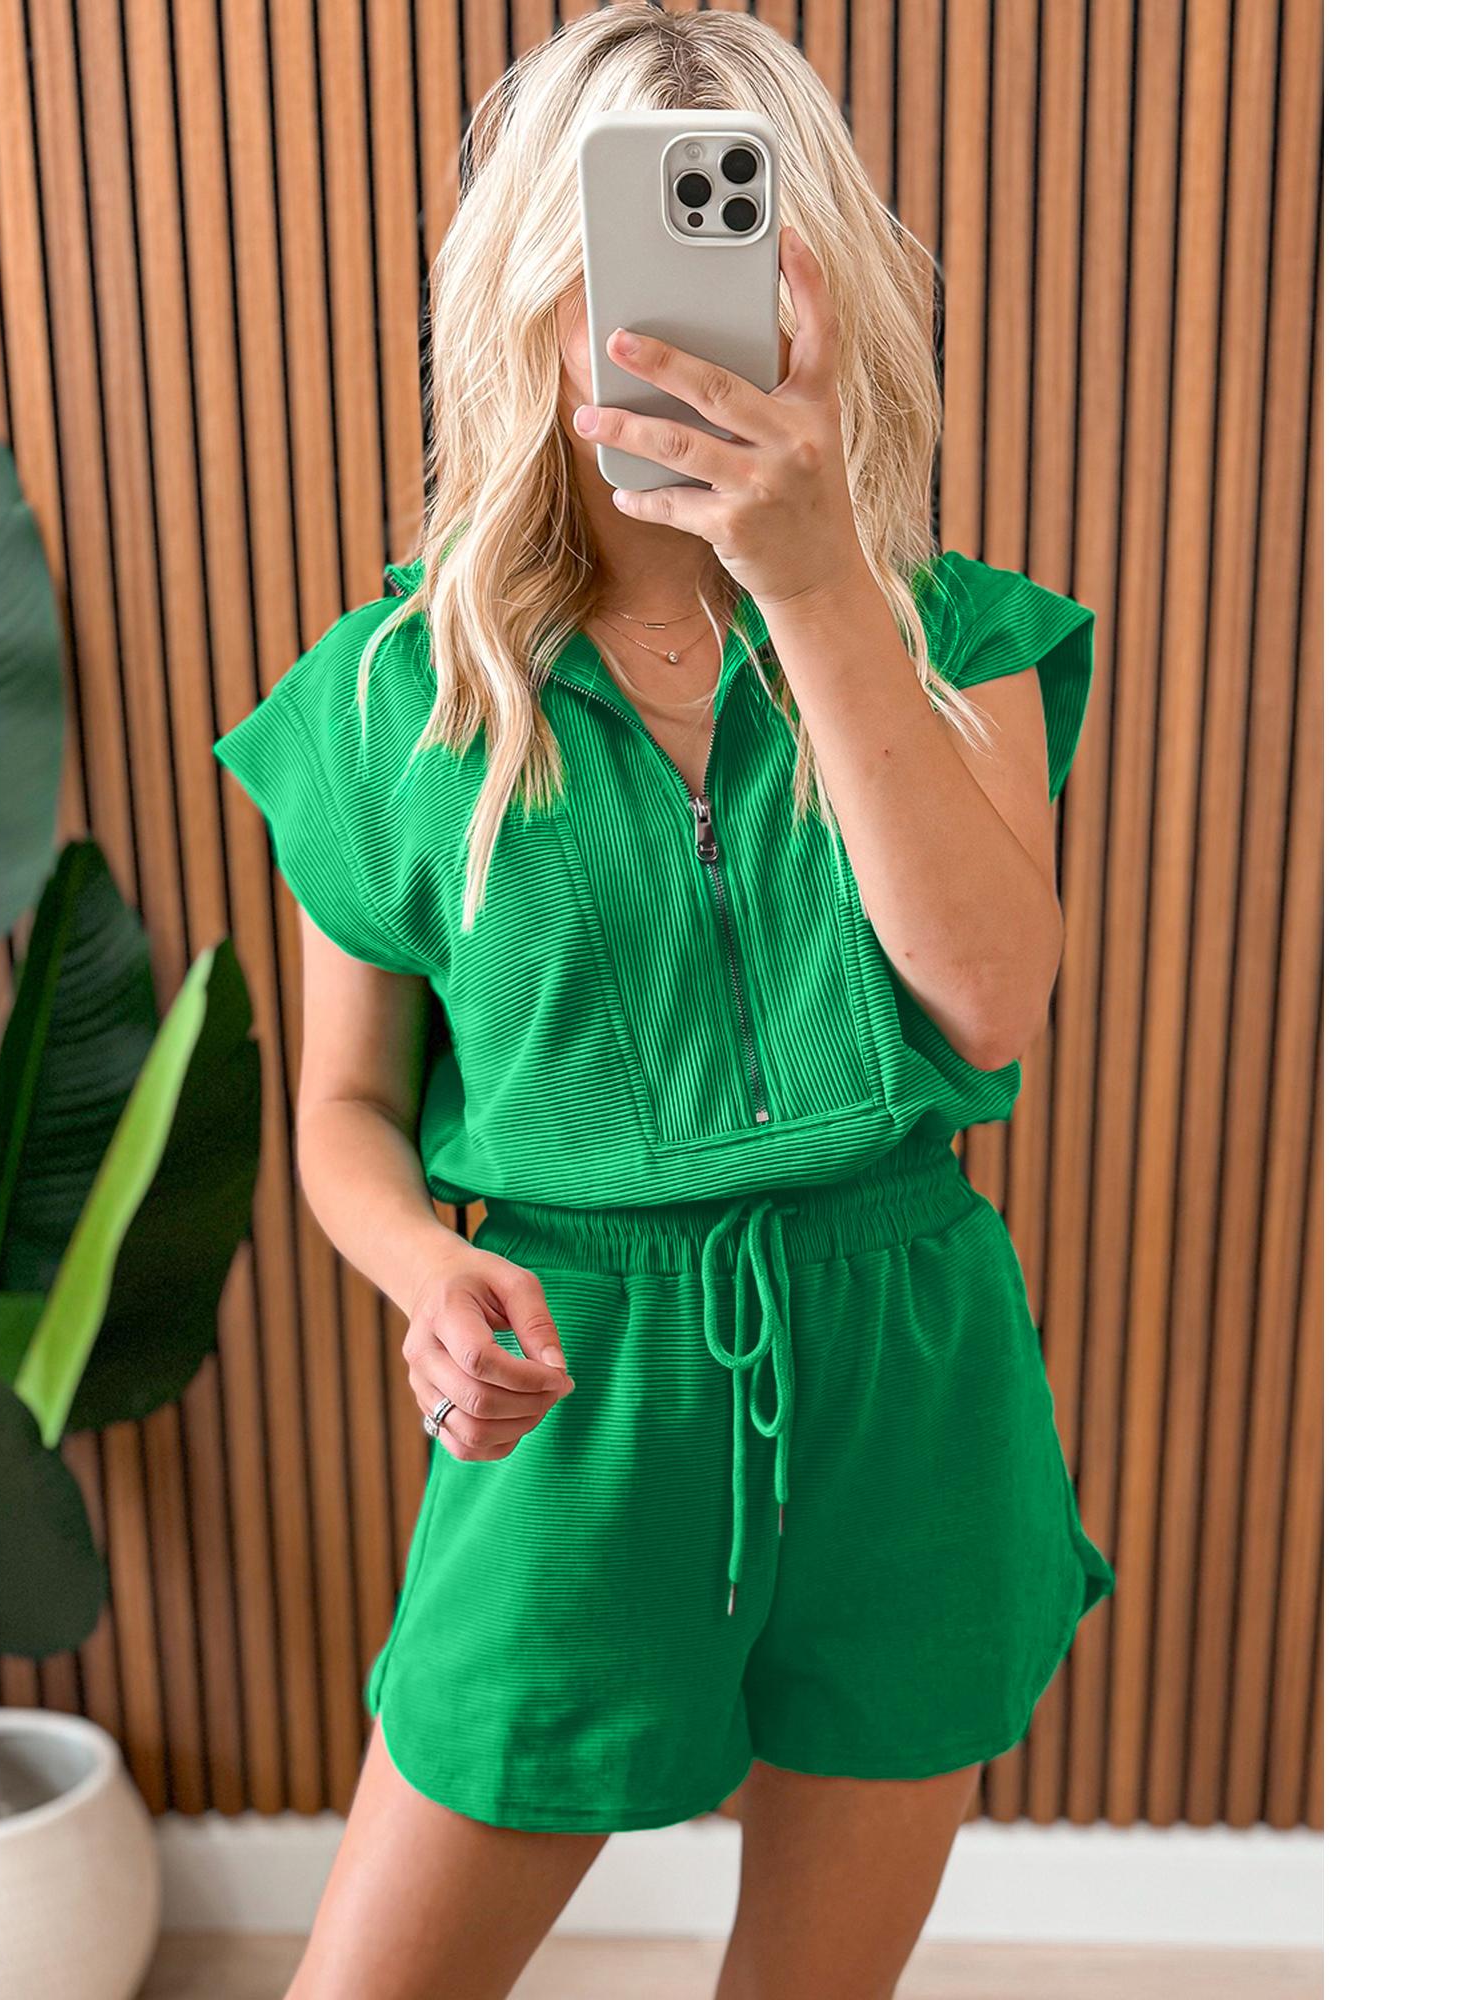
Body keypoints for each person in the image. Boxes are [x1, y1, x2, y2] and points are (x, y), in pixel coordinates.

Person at [213, 8, 1114, 1997]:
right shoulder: (392, 698)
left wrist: (811, 580)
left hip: (907, 1381)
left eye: (745, 266)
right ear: (529, 297)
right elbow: (344, 1109)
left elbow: (986, 1003)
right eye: (623, 265)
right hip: (579, 1389)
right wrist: (422, 1273)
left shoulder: (955, 640)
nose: (680, 328)